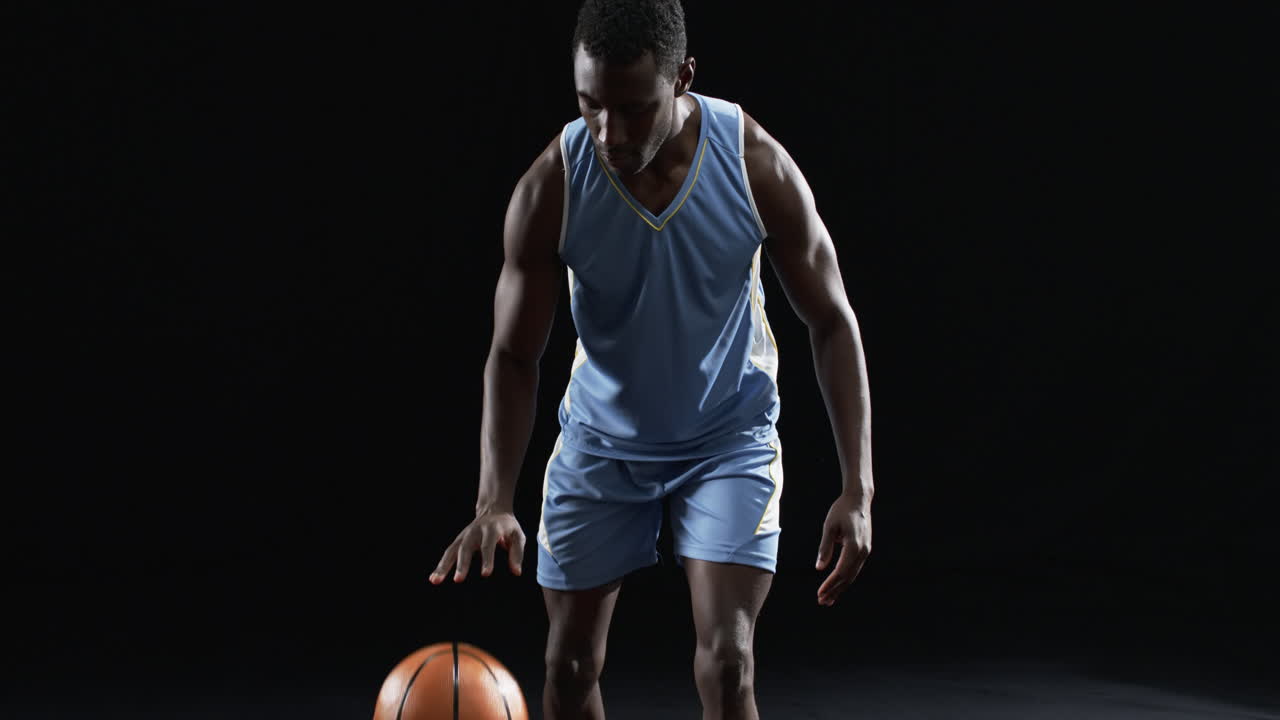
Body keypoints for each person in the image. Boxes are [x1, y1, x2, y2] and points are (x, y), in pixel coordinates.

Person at [429, 1, 873, 717]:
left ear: (684, 79)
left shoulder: (754, 165)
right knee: (568, 668)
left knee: (729, 663)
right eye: (590, 105)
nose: (609, 132)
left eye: (633, 109)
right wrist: (494, 499)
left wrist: (859, 491)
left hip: (727, 437)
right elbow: (514, 354)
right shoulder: (553, 185)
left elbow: (832, 321)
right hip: (602, 442)